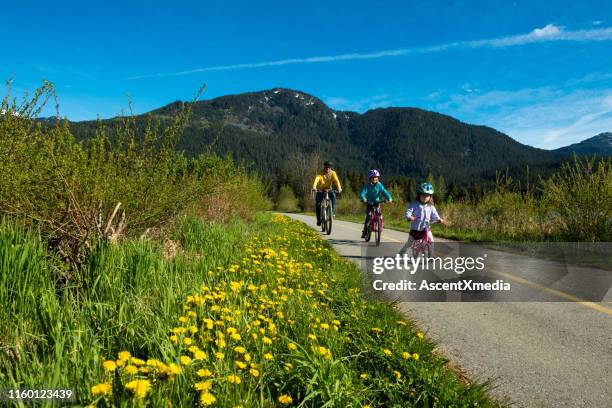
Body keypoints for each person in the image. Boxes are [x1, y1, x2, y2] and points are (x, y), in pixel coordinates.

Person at [360, 169, 393, 238]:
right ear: (370, 178)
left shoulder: (379, 185)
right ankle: (365, 231)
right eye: (373, 177)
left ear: (378, 178)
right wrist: (363, 198)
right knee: (368, 216)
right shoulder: (368, 186)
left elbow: (385, 192)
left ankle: (379, 225)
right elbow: (363, 192)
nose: (375, 179)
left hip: (377, 202)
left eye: (376, 177)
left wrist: (389, 198)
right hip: (369, 202)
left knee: (379, 214)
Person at [311, 161, 342, 226]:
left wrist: (339, 188)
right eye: (326, 167)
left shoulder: (333, 173)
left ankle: (332, 212)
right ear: (324, 167)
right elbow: (316, 179)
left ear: (331, 168)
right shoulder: (320, 173)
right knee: (318, 204)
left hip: (329, 190)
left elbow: (336, 181)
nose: (327, 168)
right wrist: (314, 187)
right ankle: (319, 219)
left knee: (333, 195)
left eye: (329, 167)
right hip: (321, 190)